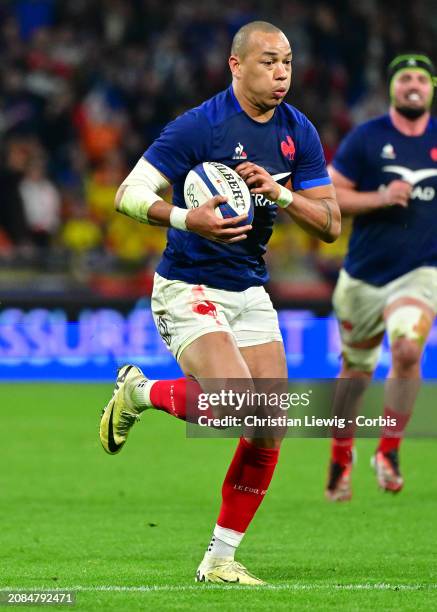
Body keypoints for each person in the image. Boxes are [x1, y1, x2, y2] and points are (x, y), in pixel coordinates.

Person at [99, 20, 340, 583]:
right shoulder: (198, 127)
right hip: (188, 284)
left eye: (287, 61)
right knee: (235, 404)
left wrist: (279, 192)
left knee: (268, 422)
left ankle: (220, 561)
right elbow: (127, 193)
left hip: (248, 289)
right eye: (268, 62)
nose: (281, 73)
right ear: (236, 65)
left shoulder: (296, 130)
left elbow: (329, 223)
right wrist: (189, 219)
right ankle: (140, 391)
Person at [326, 53, 437, 502]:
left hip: (421, 273)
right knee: (356, 371)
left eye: (421, 79)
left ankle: (388, 450)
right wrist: (380, 197)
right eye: (404, 78)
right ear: (392, 87)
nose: (413, 85)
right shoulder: (367, 138)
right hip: (363, 277)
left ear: (432, 88)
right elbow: (331, 195)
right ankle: (340, 455)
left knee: (409, 348)